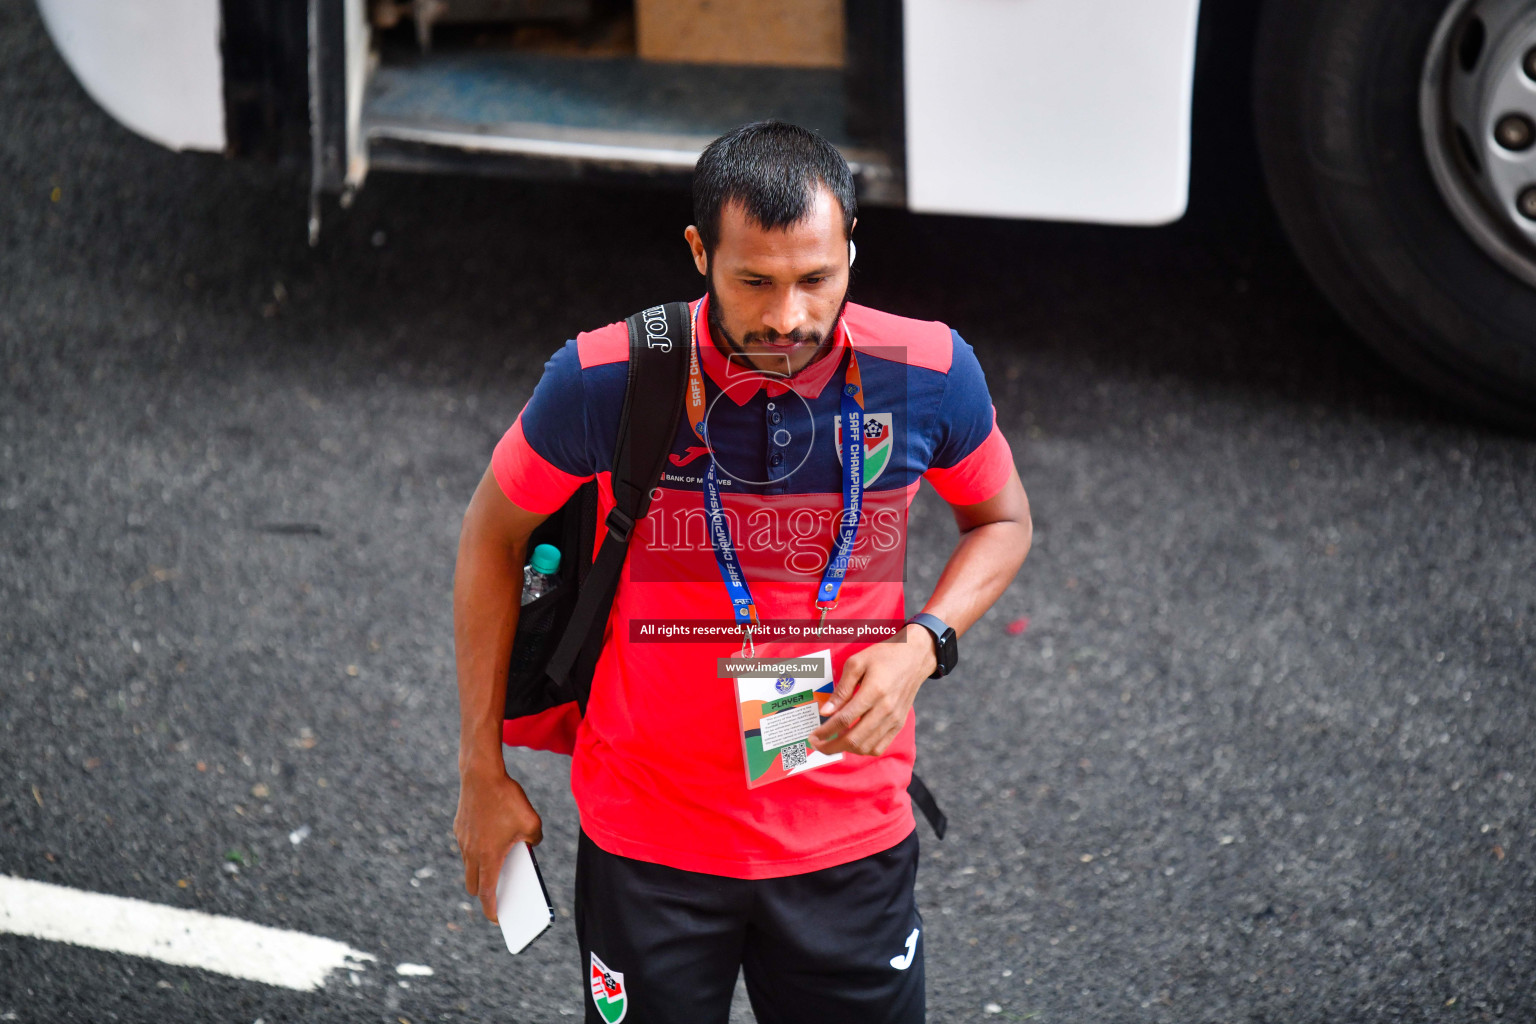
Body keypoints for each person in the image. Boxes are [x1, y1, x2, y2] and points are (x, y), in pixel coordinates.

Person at [453, 120, 1032, 1024]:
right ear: (698, 253)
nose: (787, 317)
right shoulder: (607, 376)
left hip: (850, 844)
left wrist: (927, 642)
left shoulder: (926, 369)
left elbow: (1001, 519)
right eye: (753, 280)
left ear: (850, 250)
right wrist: (479, 775)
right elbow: (492, 536)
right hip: (648, 849)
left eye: (816, 279)